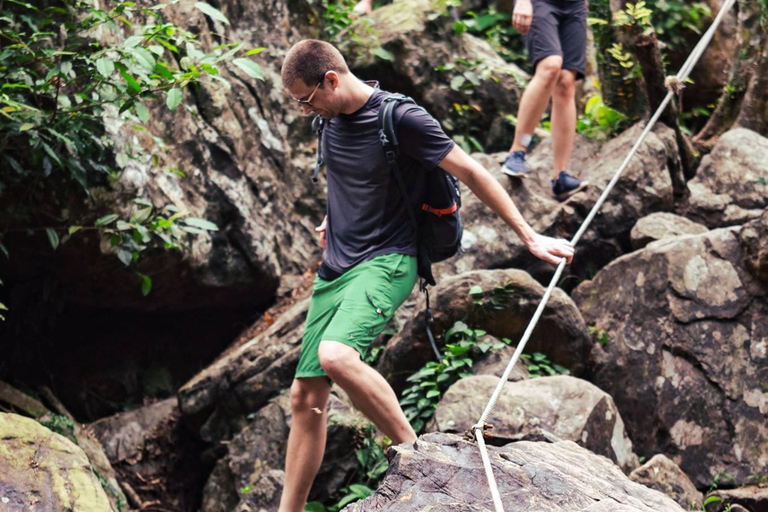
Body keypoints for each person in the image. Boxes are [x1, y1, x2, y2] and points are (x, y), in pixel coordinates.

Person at [278, 39, 574, 512]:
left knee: (335, 356)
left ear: (330, 80)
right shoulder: (328, 121)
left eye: (305, 99)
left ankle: (421, 457)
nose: (304, 110)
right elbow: (352, 178)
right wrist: (334, 218)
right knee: (305, 396)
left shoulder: (401, 119)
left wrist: (530, 237)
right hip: (336, 266)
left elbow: (474, 172)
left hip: (389, 260)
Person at [501, 0, 589, 201]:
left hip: (575, 5)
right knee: (551, 66)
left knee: (567, 82)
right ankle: (517, 152)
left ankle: (561, 177)